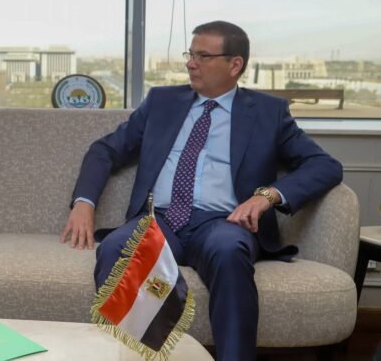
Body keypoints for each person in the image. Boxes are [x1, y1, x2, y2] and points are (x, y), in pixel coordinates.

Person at [61, 20, 342, 361]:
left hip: (223, 222)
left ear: (234, 65)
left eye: (202, 56)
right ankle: (134, 357)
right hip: (160, 220)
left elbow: (324, 165)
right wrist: (84, 202)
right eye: (190, 54)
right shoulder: (162, 101)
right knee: (117, 248)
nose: (190, 64)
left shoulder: (268, 112)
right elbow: (105, 150)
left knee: (229, 251)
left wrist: (265, 196)